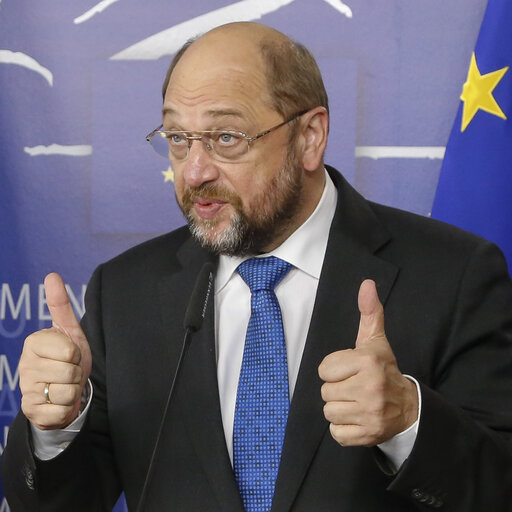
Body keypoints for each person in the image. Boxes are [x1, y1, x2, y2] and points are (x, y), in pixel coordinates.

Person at [3, 22, 512, 512]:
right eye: (178, 138)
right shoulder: (125, 291)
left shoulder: (455, 274)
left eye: (227, 137)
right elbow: (58, 503)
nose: (195, 171)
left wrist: (410, 423)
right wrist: (54, 429)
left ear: (310, 137)